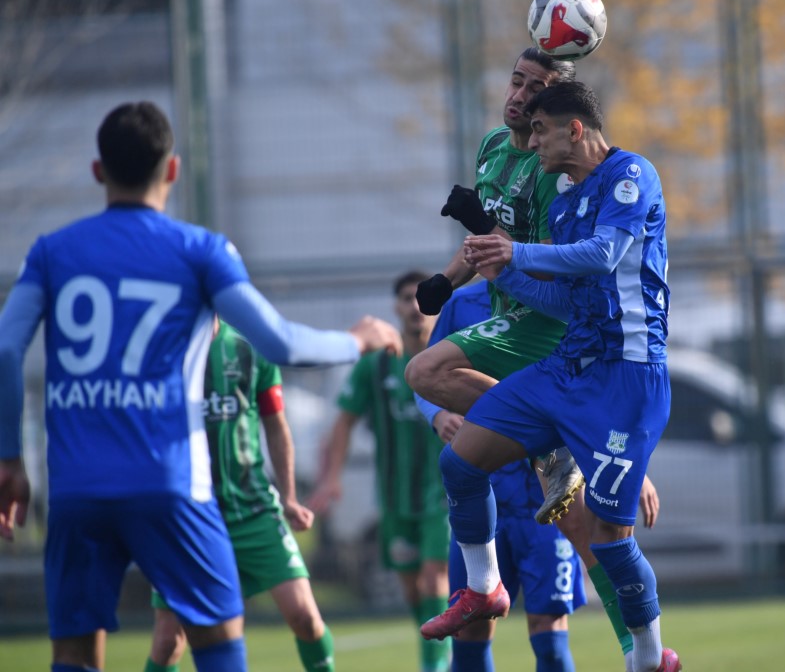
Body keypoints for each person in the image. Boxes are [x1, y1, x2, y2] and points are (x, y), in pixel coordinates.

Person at [0, 101, 401, 672]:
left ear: (98, 172)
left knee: (74, 654)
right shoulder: (198, 250)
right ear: (172, 170)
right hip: (169, 486)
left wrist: (9, 459)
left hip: (75, 489)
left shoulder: (50, 253)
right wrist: (356, 339)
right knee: (217, 642)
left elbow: (6, 349)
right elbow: (282, 344)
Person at [405, 47, 662, 669]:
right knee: (445, 427)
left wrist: (511, 255)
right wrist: (460, 275)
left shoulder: (604, 178)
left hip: (606, 365)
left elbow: (591, 260)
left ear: (565, 123)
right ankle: (484, 585)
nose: (520, 99)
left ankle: (647, 654)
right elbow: (510, 256)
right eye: (516, 83)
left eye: (537, 93)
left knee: (602, 541)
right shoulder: (505, 154)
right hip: (550, 349)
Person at [144, 320, 335, 672]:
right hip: (189, 519)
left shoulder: (250, 349)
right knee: (169, 641)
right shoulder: (161, 353)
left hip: (253, 510)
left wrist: (290, 497)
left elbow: (276, 425)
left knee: (305, 617)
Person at [415, 280, 587, 671]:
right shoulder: (462, 304)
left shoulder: (555, 295)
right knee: (470, 630)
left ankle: (645, 647)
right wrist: (438, 415)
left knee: (548, 628)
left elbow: (590, 384)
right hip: (483, 493)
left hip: (546, 494)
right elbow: (426, 375)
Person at [307, 270, 451, 672]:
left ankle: (436, 664)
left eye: (422, 299)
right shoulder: (376, 366)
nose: (415, 307)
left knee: (433, 578)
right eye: (407, 298)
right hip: (394, 495)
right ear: (396, 307)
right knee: (411, 586)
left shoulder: (453, 356)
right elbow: (343, 422)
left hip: (442, 493)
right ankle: (436, 646)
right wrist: (331, 477)